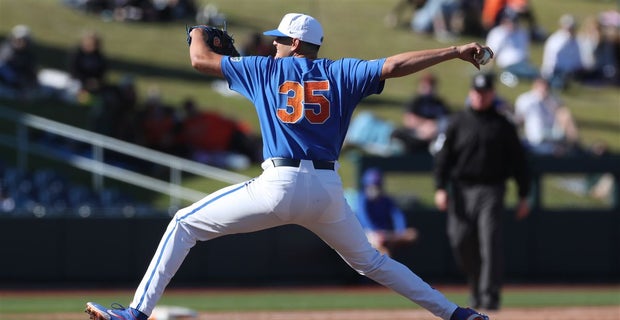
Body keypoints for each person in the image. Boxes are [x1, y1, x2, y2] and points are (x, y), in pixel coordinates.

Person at [85, 12, 493, 320]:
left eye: (281, 39)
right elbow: (394, 65)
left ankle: (135, 314)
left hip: (279, 184)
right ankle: (458, 315)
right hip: (326, 190)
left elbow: (200, 60)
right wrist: (454, 51)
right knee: (372, 262)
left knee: (183, 224)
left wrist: (196, 30)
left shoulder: (263, 69)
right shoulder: (341, 72)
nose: (274, 44)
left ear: (297, 43)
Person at [433, 73, 530, 311]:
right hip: (461, 189)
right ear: (470, 93)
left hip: (492, 189)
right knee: (460, 239)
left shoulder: (503, 125)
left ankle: (490, 297)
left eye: (485, 92)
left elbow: (519, 162)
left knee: (490, 242)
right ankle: (475, 286)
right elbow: (444, 158)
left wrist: (523, 194)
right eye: (477, 92)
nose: (480, 96)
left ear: (492, 94)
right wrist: (440, 188)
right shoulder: (457, 122)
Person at [354, 168, 418, 257]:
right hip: (368, 234)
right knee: (381, 245)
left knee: (412, 234)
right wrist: (375, 232)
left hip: (386, 234)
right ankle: (386, 260)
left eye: (377, 186)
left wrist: (400, 230)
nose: (374, 189)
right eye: (371, 186)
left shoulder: (386, 200)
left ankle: (388, 247)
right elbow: (364, 218)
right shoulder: (362, 200)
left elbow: (397, 215)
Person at [514, 77, 580, 156]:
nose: (544, 89)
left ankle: (575, 144)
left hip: (554, 134)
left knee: (564, 114)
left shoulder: (553, 99)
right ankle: (574, 147)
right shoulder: (526, 99)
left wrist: (548, 101)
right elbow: (519, 118)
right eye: (541, 86)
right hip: (537, 136)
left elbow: (563, 117)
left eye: (545, 87)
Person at [391, 72, 451, 153]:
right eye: (425, 86)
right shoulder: (415, 102)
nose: (428, 89)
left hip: (435, 134)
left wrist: (434, 127)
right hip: (417, 133)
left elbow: (449, 121)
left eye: (431, 86)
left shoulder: (440, 103)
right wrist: (425, 125)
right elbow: (408, 120)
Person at [485, 8, 539, 87]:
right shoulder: (497, 33)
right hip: (509, 64)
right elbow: (492, 54)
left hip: (523, 63)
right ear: (503, 21)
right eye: (510, 21)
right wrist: (489, 70)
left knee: (536, 73)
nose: (512, 24)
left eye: (514, 21)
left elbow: (525, 51)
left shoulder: (522, 33)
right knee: (535, 75)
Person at [541, 14, 585, 89]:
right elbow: (552, 59)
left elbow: (577, 58)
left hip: (571, 70)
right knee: (559, 82)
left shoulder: (575, 41)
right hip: (557, 71)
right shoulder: (556, 39)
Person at [0, 25, 40, 99]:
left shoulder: (28, 57)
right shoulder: (6, 48)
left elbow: (31, 76)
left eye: (21, 40)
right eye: (16, 39)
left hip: (15, 83)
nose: (18, 42)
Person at [67, 30, 108, 95]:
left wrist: (96, 81)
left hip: (93, 84)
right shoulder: (77, 54)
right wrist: (85, 81)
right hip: (78, 81)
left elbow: (102, 73)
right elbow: (73, 70)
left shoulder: (99, 57)